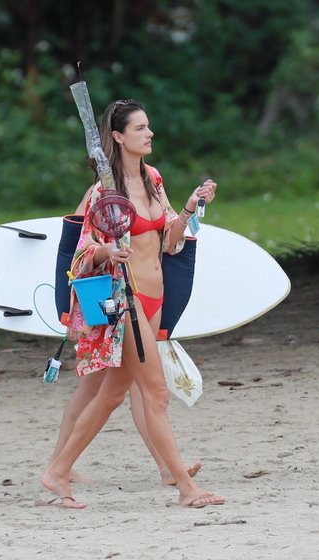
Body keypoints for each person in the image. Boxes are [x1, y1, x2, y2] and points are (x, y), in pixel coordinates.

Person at [40, 99, 224, 509]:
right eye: (140, 128)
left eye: (148, 126)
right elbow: (80, 253)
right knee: (156, 393)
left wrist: (191, 207)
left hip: (156, 296)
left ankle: (57, 470)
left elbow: (171, 240)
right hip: (127, 299)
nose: (149, 133)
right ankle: (185, 488)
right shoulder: (104, 192)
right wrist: (106, 251)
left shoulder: (154, 179)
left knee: (111, 395)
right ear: (118, 137)